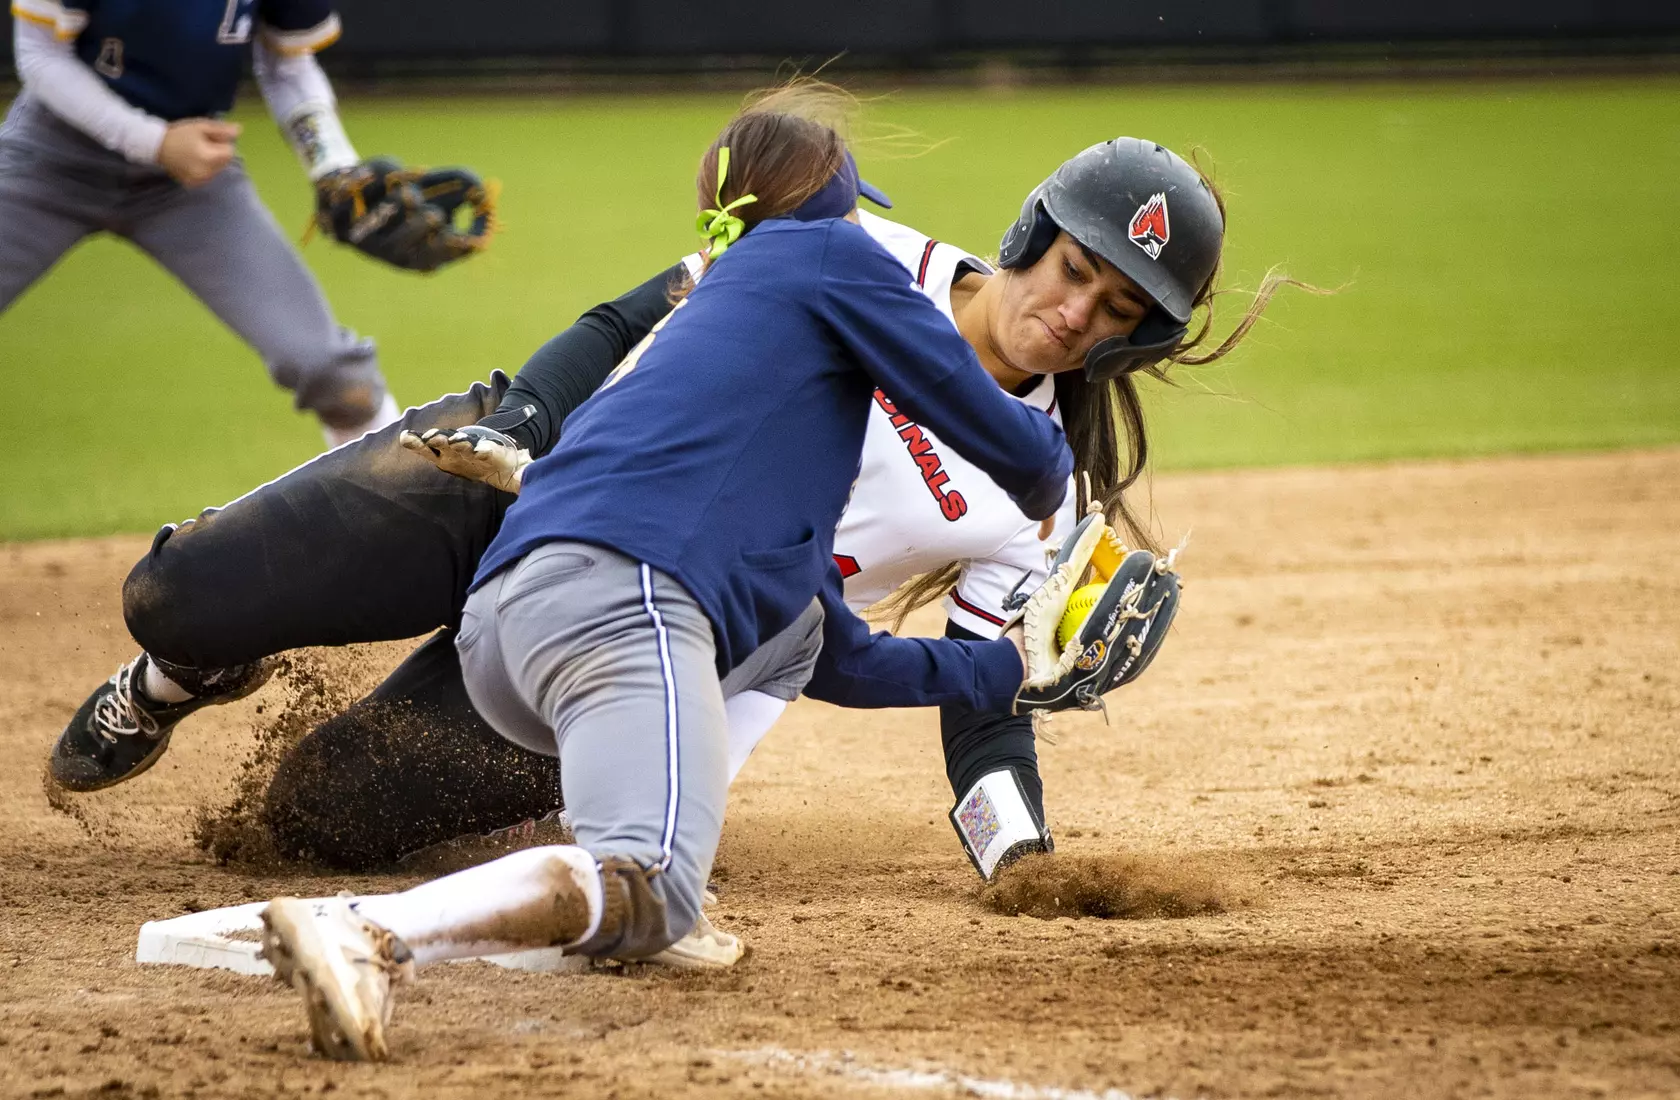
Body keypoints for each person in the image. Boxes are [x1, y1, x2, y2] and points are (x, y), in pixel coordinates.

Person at [49, 106, 1289, 878]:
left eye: (1118, 311)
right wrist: (522, 417)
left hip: (663, 643)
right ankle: (189, 670)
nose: (1077, 313)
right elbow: (633, 314)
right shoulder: (859, 247)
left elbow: (983, 720)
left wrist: (1022, 852)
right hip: (532, 480)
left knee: (312, 815)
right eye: (1078, 269)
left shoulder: (1042, 500)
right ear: (1034, 234)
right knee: (179, 594)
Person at [254, 91, 1069, 1062]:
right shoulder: (832, 254)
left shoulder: (723, 357)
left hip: (508, 625)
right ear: (829, 204)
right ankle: (373, 935)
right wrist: (1059, 485)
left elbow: (828, 651)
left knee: (754, 682)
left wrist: (1003, 673)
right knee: (650, 883)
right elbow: (1014, 449)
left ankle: (636, 881)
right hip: (624, 602)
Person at [3, 0, 397, 444]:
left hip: (188, 176)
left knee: (333, 374)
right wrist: (154, 142)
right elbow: (39, 54)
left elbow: (288, 66)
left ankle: (396, 507)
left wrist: (334, 167)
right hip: (52, 160)